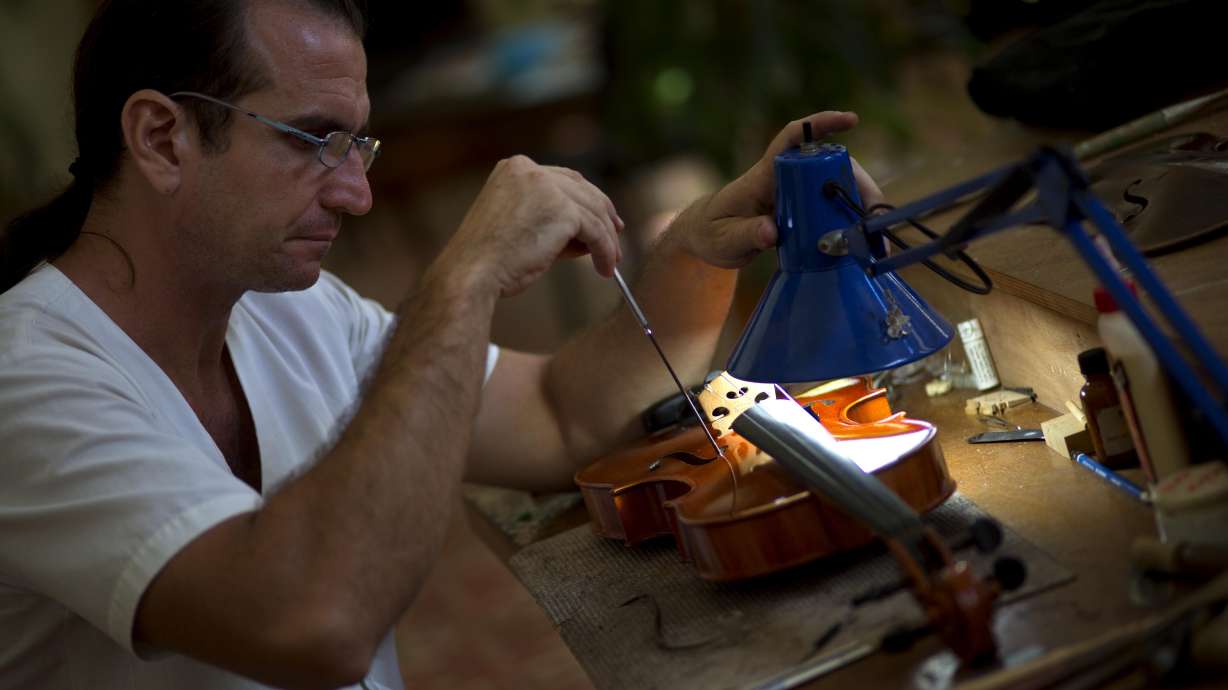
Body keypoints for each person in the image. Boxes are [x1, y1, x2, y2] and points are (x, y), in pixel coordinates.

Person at [0, 1, 883, 688]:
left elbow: (561, 415)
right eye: (316, 141)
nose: (356, 196)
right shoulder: (27, 383)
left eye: (358, 146)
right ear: (162, 137)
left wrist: (694, 249)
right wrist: (464, 280)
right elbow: (316, 621)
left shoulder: (281, 310)